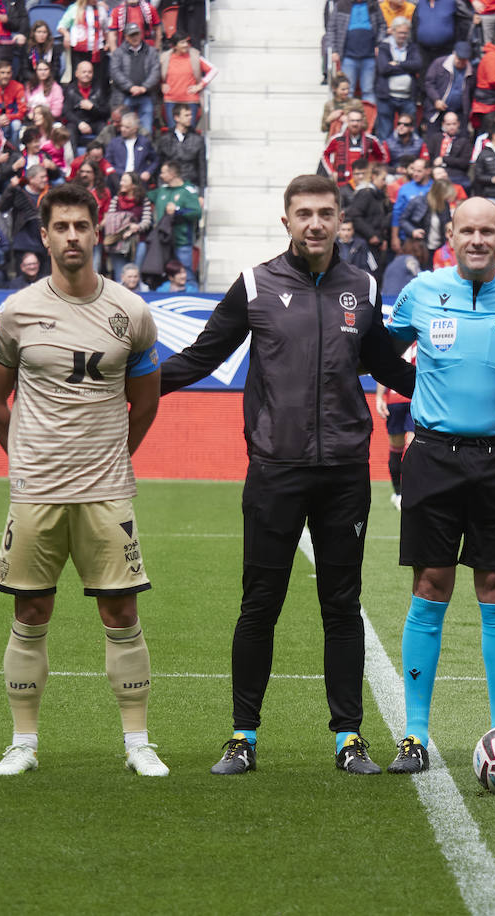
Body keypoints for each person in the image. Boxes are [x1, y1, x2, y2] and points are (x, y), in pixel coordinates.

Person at [159, 174, 415, 776]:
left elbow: (383, 365)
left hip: (346, 473)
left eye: (325, 213)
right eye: (304, 214)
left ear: (340, 221)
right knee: (260, 604)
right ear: (286, 221)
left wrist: (453, 388)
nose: (315, 224)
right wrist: (129, 384)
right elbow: (201, 355)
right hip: (275, 468)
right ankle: (242, 736)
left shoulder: (363, 286)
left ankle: (348, 738)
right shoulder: (255, 283)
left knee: (342, 606)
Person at [0, 182, 166, 778]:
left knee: (120, 612)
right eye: (60, 227)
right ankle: (23, 742)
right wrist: (27, 455)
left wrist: (113, 456)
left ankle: (138, 741)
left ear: (97, 231)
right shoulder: (17, 310)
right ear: (45, 235)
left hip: (107, 491)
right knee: (31, 611)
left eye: (81, 226)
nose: (72, 237)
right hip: (35, 490)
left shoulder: (131, 313)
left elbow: (146, 403)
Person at [376, 198, 495, 775]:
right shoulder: (422, 290)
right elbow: (378, 349)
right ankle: (415, 734)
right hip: (433, 458)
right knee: (430, 582)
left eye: (488, 231)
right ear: (450, 235)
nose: (477, 239)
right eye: (467, 230)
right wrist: (417, 382)